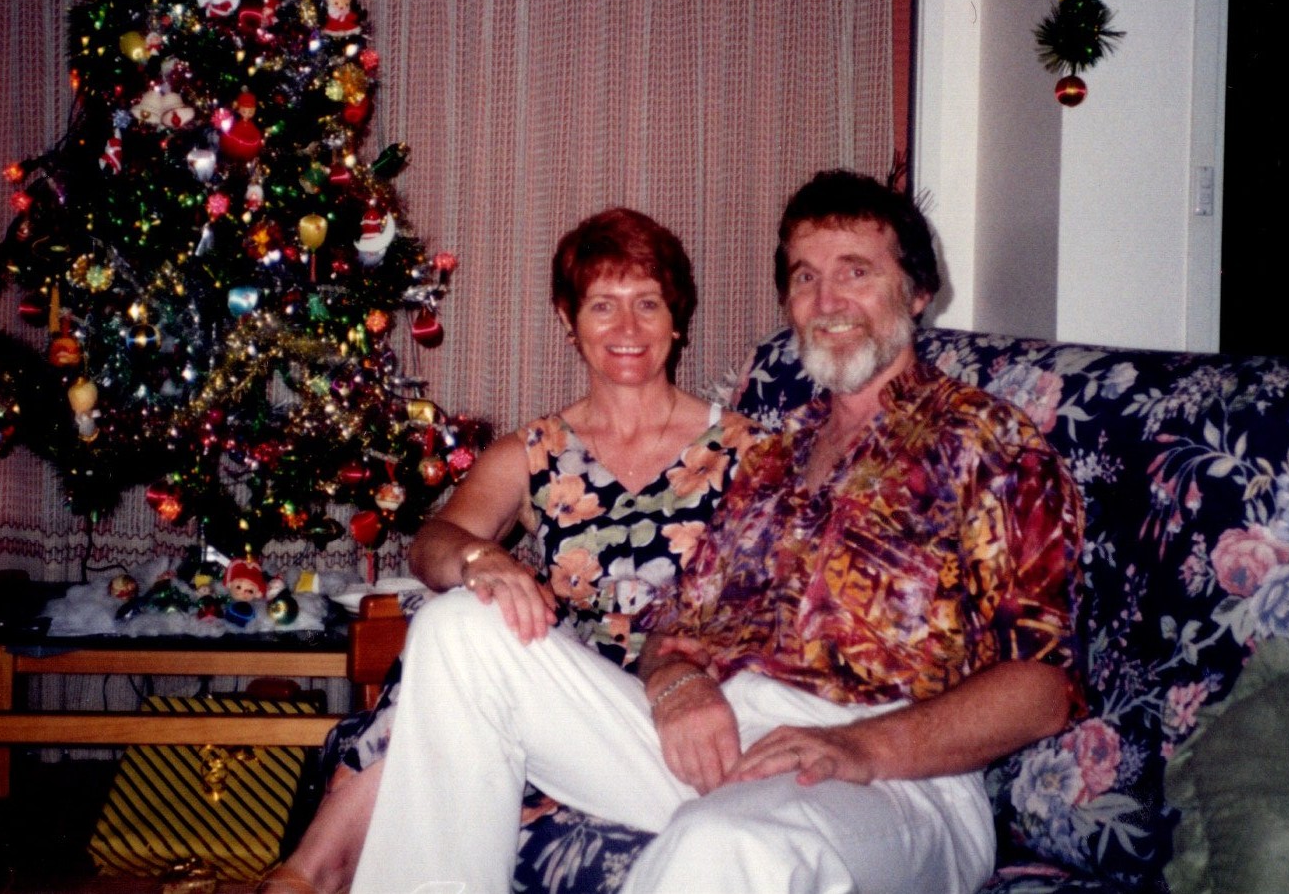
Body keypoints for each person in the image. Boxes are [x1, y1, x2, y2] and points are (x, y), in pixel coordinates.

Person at [348, 169, 1085, 894]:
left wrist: (862, 744)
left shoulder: (985, 442)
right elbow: (673, 628)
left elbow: (1043, 687)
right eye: (804, 278)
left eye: (855, 272)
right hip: (728, 733)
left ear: (917, 291)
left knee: (724, 843)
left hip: (899, 771)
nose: (827, 301)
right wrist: (676, 683)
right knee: (459, 630)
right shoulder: (775, 455)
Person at [258, 207, 761, 894]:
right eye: (602, 305)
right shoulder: (536, 450)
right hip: (556, 696)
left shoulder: (746, 450)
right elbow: (434, 542)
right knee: (463, 619)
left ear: (677, 317)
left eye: (648, 303)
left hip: (675, 709)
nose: (628, 328)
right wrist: (481, 560)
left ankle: (312, 869)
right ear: (568, 320)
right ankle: (315, 870)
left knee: (456, 658)